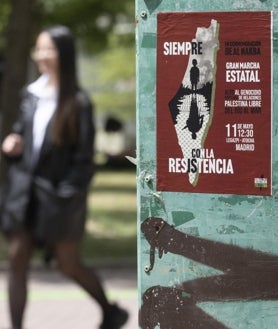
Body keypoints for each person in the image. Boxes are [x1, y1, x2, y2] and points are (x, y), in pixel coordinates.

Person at [0, 25, 128, 329]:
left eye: (49, 49)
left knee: (67, 264)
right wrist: (12, 144)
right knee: (17, 260)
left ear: (64, 54)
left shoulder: (78, 103)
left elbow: (84, 161)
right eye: (39, 48)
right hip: (24, 194)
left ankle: (109, 311)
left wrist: (65, 196)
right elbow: (22, 131)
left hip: (59, 198)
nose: (42, 55)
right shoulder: (30, 95)